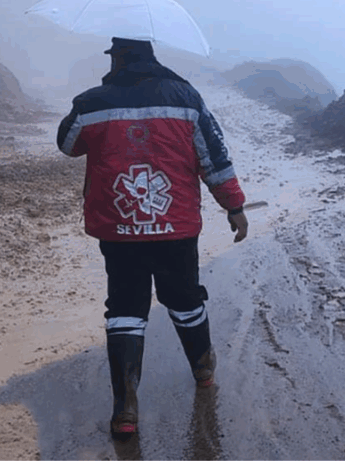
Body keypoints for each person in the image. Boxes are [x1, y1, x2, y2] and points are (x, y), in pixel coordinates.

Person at [57, 37, 249, 437]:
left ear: (118, 59)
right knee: (185, 298)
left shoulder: (93, 102)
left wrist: (96, 97)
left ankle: (125, 409)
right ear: (151, 56)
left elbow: (68, 143)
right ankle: (203, 369)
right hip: (175, 227)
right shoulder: (186, 98)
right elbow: (214, 157)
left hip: (119, 228)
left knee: (125, 308)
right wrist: (234, 206)